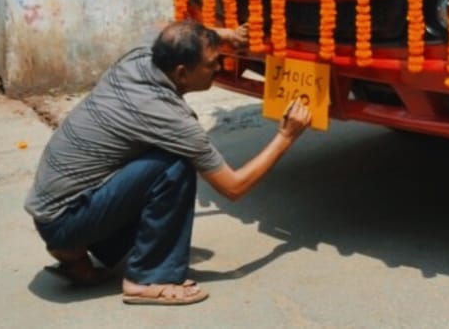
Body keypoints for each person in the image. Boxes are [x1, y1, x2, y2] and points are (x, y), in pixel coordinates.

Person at [25, 21, 310, 306]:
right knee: (175, 166)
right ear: (183, 73)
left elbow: (168, 28)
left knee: (149, 155)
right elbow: (234, 187)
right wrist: (286, 136)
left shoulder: (140, 56)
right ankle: (148, 279)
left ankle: (73, 251)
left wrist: (227, 36)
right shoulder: (171, 119)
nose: (219, 68)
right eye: (212, 64)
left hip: (50, 210)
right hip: (65, 218)